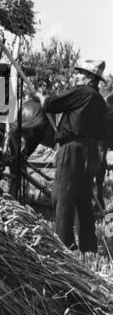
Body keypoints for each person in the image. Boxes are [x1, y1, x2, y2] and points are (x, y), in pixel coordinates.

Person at [34, 60, 107, 252]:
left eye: (80, 73)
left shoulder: (81, 92)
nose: (75, 76)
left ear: (89, 77)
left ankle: (63, 247)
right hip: (90, 153)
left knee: (62, 198)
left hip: (72, 150)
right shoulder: (99, 100)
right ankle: (89, 247)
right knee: (84, 199)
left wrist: (41, 98)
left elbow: (51, 105)